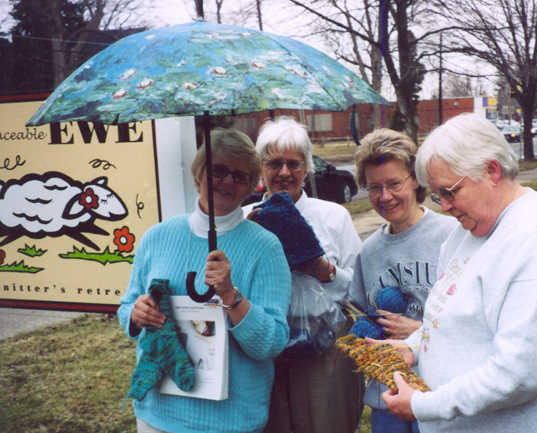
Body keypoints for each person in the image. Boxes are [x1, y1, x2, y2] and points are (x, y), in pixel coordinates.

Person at [379, 113, 537, 433]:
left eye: (450, 192)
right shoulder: (470, 230)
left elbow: (520, 373)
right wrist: (415, 347)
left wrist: (425, 405)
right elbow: (455, 323)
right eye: (437, 195)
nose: (444, 206)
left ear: (492, 171)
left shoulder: (536, 245)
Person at [117, 128, 292, 433]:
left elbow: (272, 342)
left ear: (251, 186)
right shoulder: (157, 237)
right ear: (198, 173)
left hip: (230, 420)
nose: (226, 182)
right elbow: (126, 306)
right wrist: (136, 314)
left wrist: (230, 295)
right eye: (218, 171)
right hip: (158, 413)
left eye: (239, 177)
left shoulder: (266, 248)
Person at [243, 116, 363, 433]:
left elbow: (361, 291)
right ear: (261, 167)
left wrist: (324, 271)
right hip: (262, 346)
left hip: (324, 345)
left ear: (307, 167)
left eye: (294, 164)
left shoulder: (333, 217)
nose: (285, 173)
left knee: (326, 424)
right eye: (275, 163)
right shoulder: (243, 220)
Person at [349, 128, 457, 433]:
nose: (385, 197)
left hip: (440, 393)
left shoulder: (451, 236)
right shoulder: (368, 252)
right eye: (374, 188)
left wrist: (420, 333)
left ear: (414, 180)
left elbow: (476, 324)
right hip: (389, 398)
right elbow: (362, 317)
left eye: (394, 183)